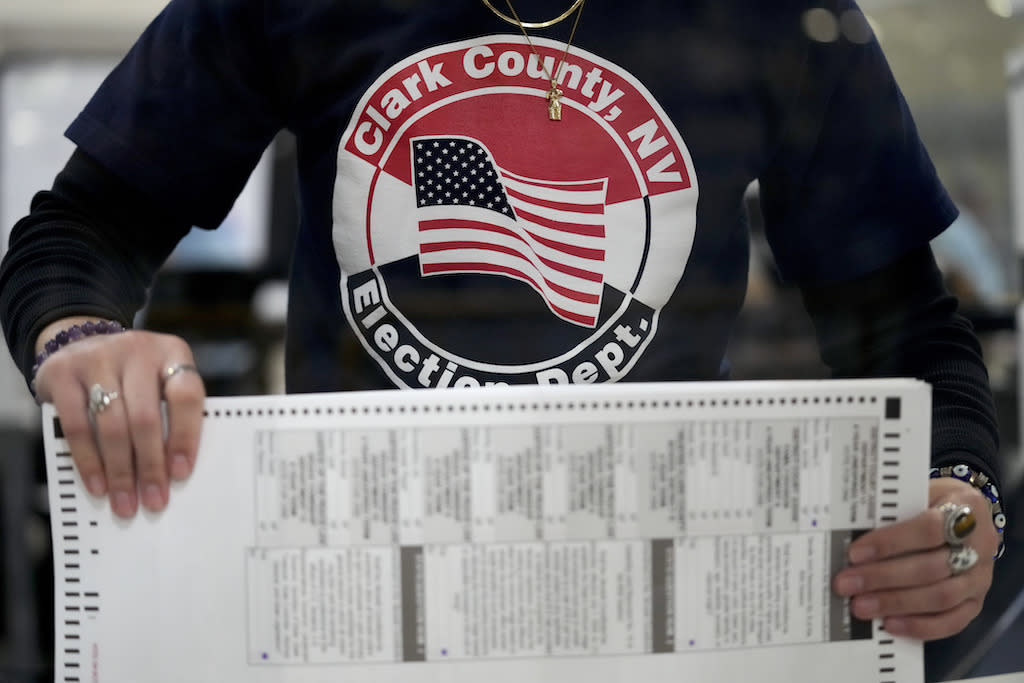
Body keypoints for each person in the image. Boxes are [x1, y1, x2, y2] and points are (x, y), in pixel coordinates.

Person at [0, 0, 1005, 644]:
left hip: (662, 606)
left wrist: (958, 506)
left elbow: (909, 330)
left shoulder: (776, 14)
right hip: (355, 595)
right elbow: (79, 229)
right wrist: (81, 339)